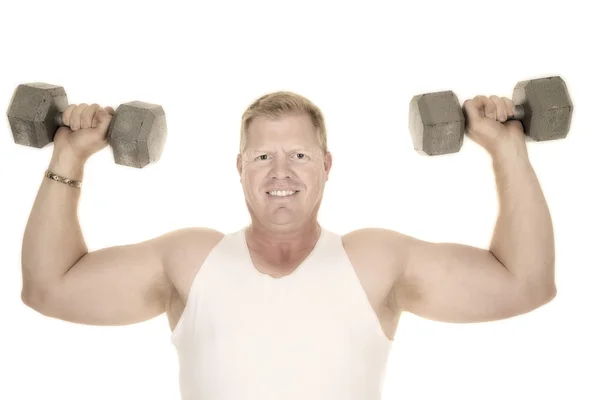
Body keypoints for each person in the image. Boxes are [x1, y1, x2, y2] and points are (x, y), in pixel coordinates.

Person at [20, 90, 557, 399]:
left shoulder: (372, 261)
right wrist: (68, 157)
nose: (281, 171)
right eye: (262, 157)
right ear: (239, 169)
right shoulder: (191, 260)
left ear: (326, 166)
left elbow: (524, 284)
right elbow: (49, 287)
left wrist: (507, 149)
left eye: (299, 155)